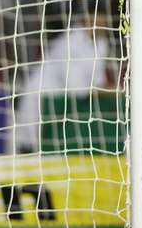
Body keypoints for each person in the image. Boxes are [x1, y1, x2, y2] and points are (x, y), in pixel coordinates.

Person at [14, 12, 112, 153]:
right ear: (86, 18)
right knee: (31, 150)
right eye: (98, 19)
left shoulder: (101, 43)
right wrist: (107, 91)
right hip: (40, 102)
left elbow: (98, 80)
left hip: (61, 108)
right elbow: (76, 88)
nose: (102, 24)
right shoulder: (68, 44)